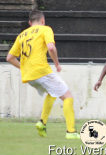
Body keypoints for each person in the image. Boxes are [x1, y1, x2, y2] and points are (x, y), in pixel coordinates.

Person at [6, 10, 80, 139]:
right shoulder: (45, 29)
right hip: (41, 71)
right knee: (68, 97)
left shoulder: (22, 35)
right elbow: (51, 47)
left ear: (30, 22)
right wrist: (57, 63)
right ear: (42, 20)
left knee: (53, 92)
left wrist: (23, 68)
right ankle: (71, 132)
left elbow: (10, 58)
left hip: (29, 76)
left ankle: (42, 123)